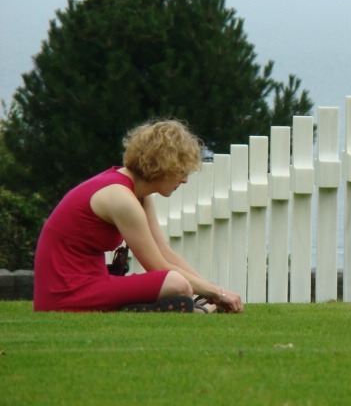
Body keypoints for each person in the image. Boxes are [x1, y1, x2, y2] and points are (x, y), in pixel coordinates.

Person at [33, 119, 244, 314]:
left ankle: (173, 307)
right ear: (163, 165)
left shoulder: (137, 193)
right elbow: (157, 266)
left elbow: (163, 252)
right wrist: (218, 293)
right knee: (175, 283)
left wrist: (210, 291)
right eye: (182, 171)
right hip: (66, 293)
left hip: (91, 282)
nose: (185, 180)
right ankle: (173, 308)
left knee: (179, 283)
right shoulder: (121, 198)